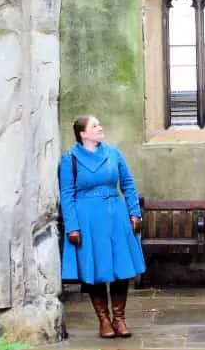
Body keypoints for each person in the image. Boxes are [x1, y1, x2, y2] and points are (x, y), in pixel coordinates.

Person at [58, 115, 146, 338]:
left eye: (99, 124)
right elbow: (67, 194)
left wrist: (134, 212)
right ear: (82, 134)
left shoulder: (113, 154)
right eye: (94, 126)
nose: (100, 127)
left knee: (121, 268)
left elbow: (127, 184)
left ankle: (120, 318)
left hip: (116, 214)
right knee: (94, 269)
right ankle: (104, 320)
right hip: (87, 217)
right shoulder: (70, 159)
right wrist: (72, 226)